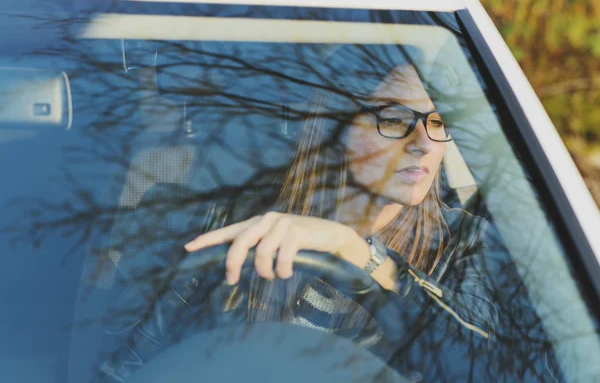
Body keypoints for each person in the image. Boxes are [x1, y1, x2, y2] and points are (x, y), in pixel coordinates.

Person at [94, 49, 502, 382]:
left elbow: (485, 367)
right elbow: (132, 367)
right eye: (395, 119)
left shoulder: (466, 240)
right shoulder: (230, 219)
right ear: (334, 126)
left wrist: (355, 252)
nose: (424, 143)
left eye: (438, 122)